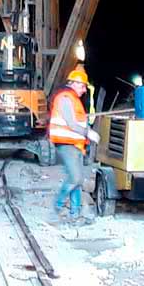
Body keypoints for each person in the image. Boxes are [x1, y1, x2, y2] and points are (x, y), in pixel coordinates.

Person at [48, 65, 92, 220]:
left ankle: (75, 213)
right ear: (73, 83)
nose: (84, 90)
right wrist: (90, 133)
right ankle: (58, 204)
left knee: (78, 181)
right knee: (75, 178)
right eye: (82, 86)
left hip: (76, 144)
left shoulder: (73, 99)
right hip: (66, 144)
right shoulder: (65, 98)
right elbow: (71, 123)